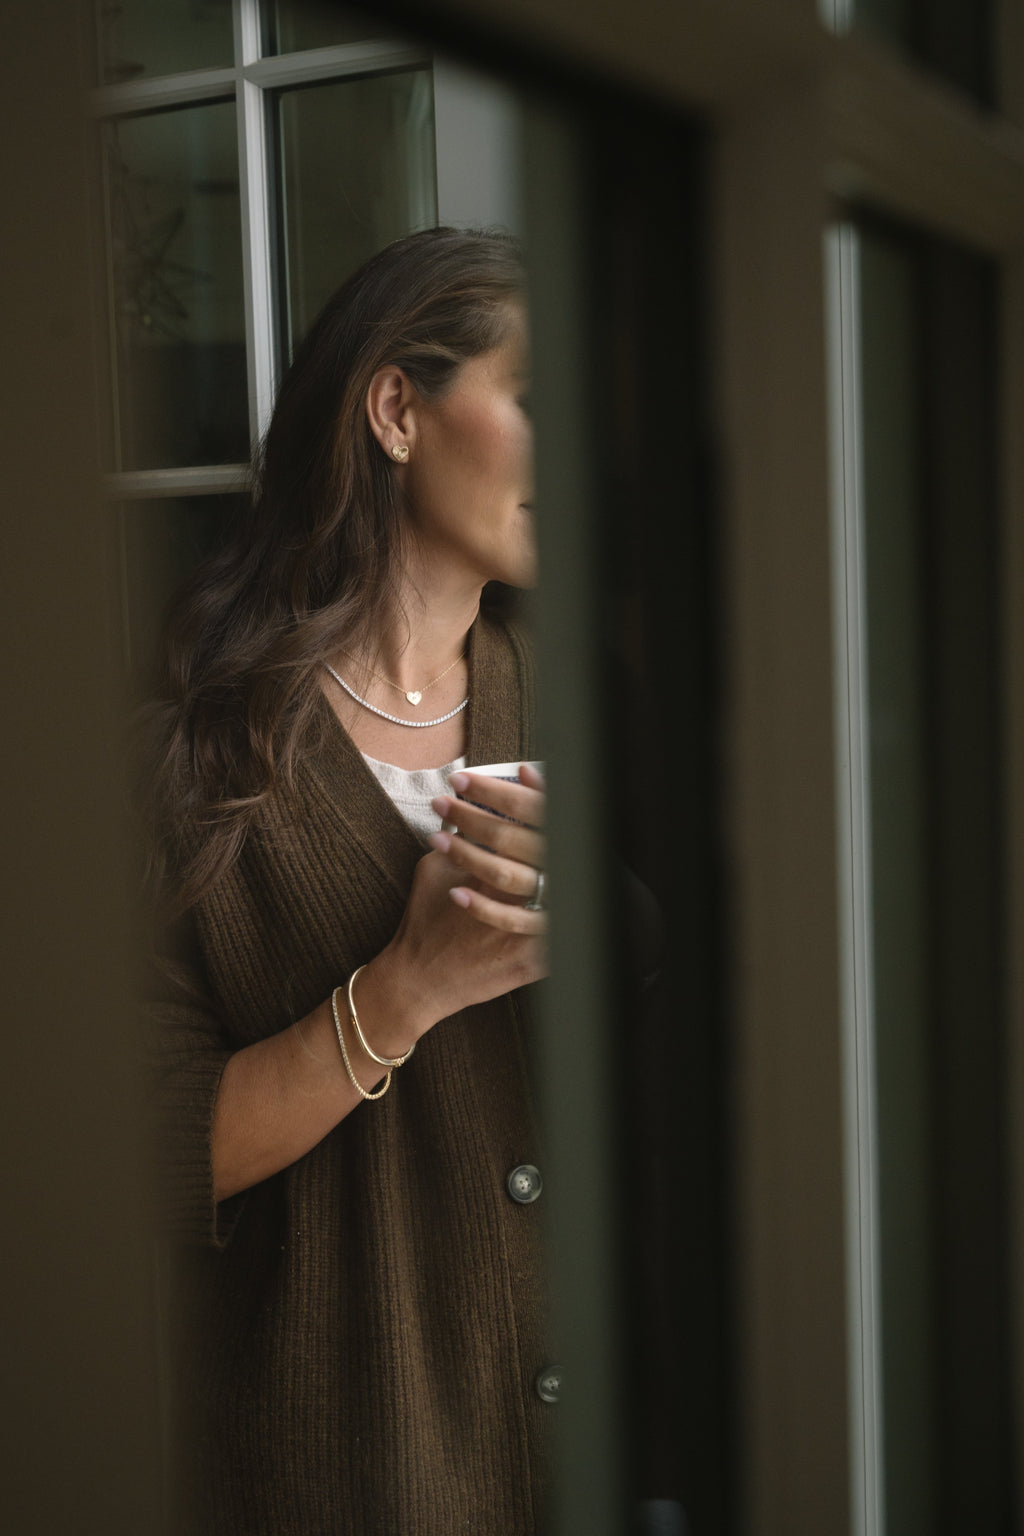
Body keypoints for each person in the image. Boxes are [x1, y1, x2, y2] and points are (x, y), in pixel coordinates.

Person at [141, 227, 551, 1536]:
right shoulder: (192, 751)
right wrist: (404, 989)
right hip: (334, 1473)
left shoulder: (589, 700)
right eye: (536, 399)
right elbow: (139, 1157)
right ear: (395, 410)